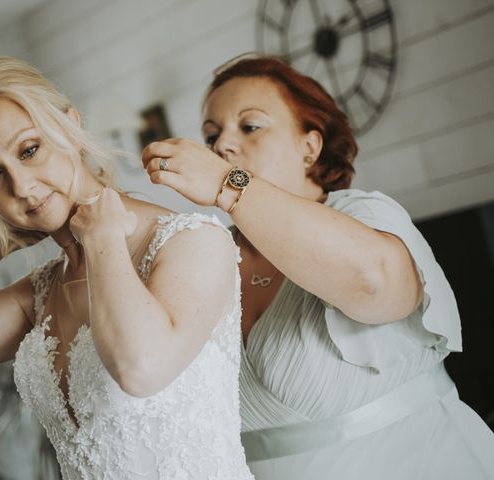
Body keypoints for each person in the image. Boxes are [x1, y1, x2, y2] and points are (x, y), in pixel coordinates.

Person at [0, 56, 254, 480]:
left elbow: (140, 368)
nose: (22, 187)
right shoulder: (42, 292)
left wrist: (103, 237)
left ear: (70, 128)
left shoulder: (191, 240)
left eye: (29, 151)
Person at [142, 54, 494, 479]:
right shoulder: (209, 252)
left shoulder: (362, 213)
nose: (222, 146)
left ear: (309, 147)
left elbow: (376, 285)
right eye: (212, 135)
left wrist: (225, 183)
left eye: (249, 126)